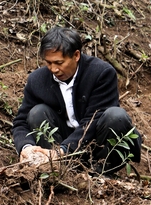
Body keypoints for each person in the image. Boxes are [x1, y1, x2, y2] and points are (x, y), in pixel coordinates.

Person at [12, 26, 141, 174]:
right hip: (61, 145)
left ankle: (101, 173)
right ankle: (57, 170)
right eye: (48, 63)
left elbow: (94, 119)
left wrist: (63, 151)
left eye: (59, 63)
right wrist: (26, 147)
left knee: (116, 117)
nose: (53, 69)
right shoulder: (37, 80)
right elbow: (20, 122)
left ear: (76, 55)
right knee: (37, 112)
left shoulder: (101, 73)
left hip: (96, 142)